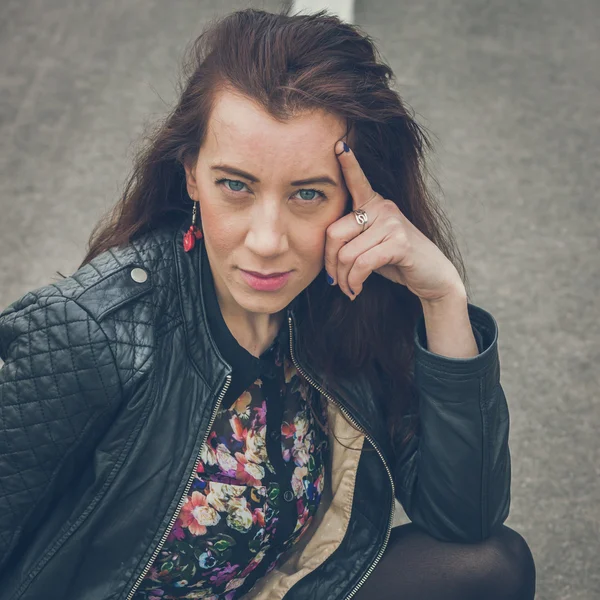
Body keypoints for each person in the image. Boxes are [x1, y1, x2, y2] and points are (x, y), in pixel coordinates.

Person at [0, 7, 536, 600]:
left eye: (308, 194)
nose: (266, 241)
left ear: (354, 201)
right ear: (191, 177)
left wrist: (441, 298)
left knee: (491, 564)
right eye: (236, 185)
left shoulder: (345, 302)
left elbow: (466, 518)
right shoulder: (88, 335)